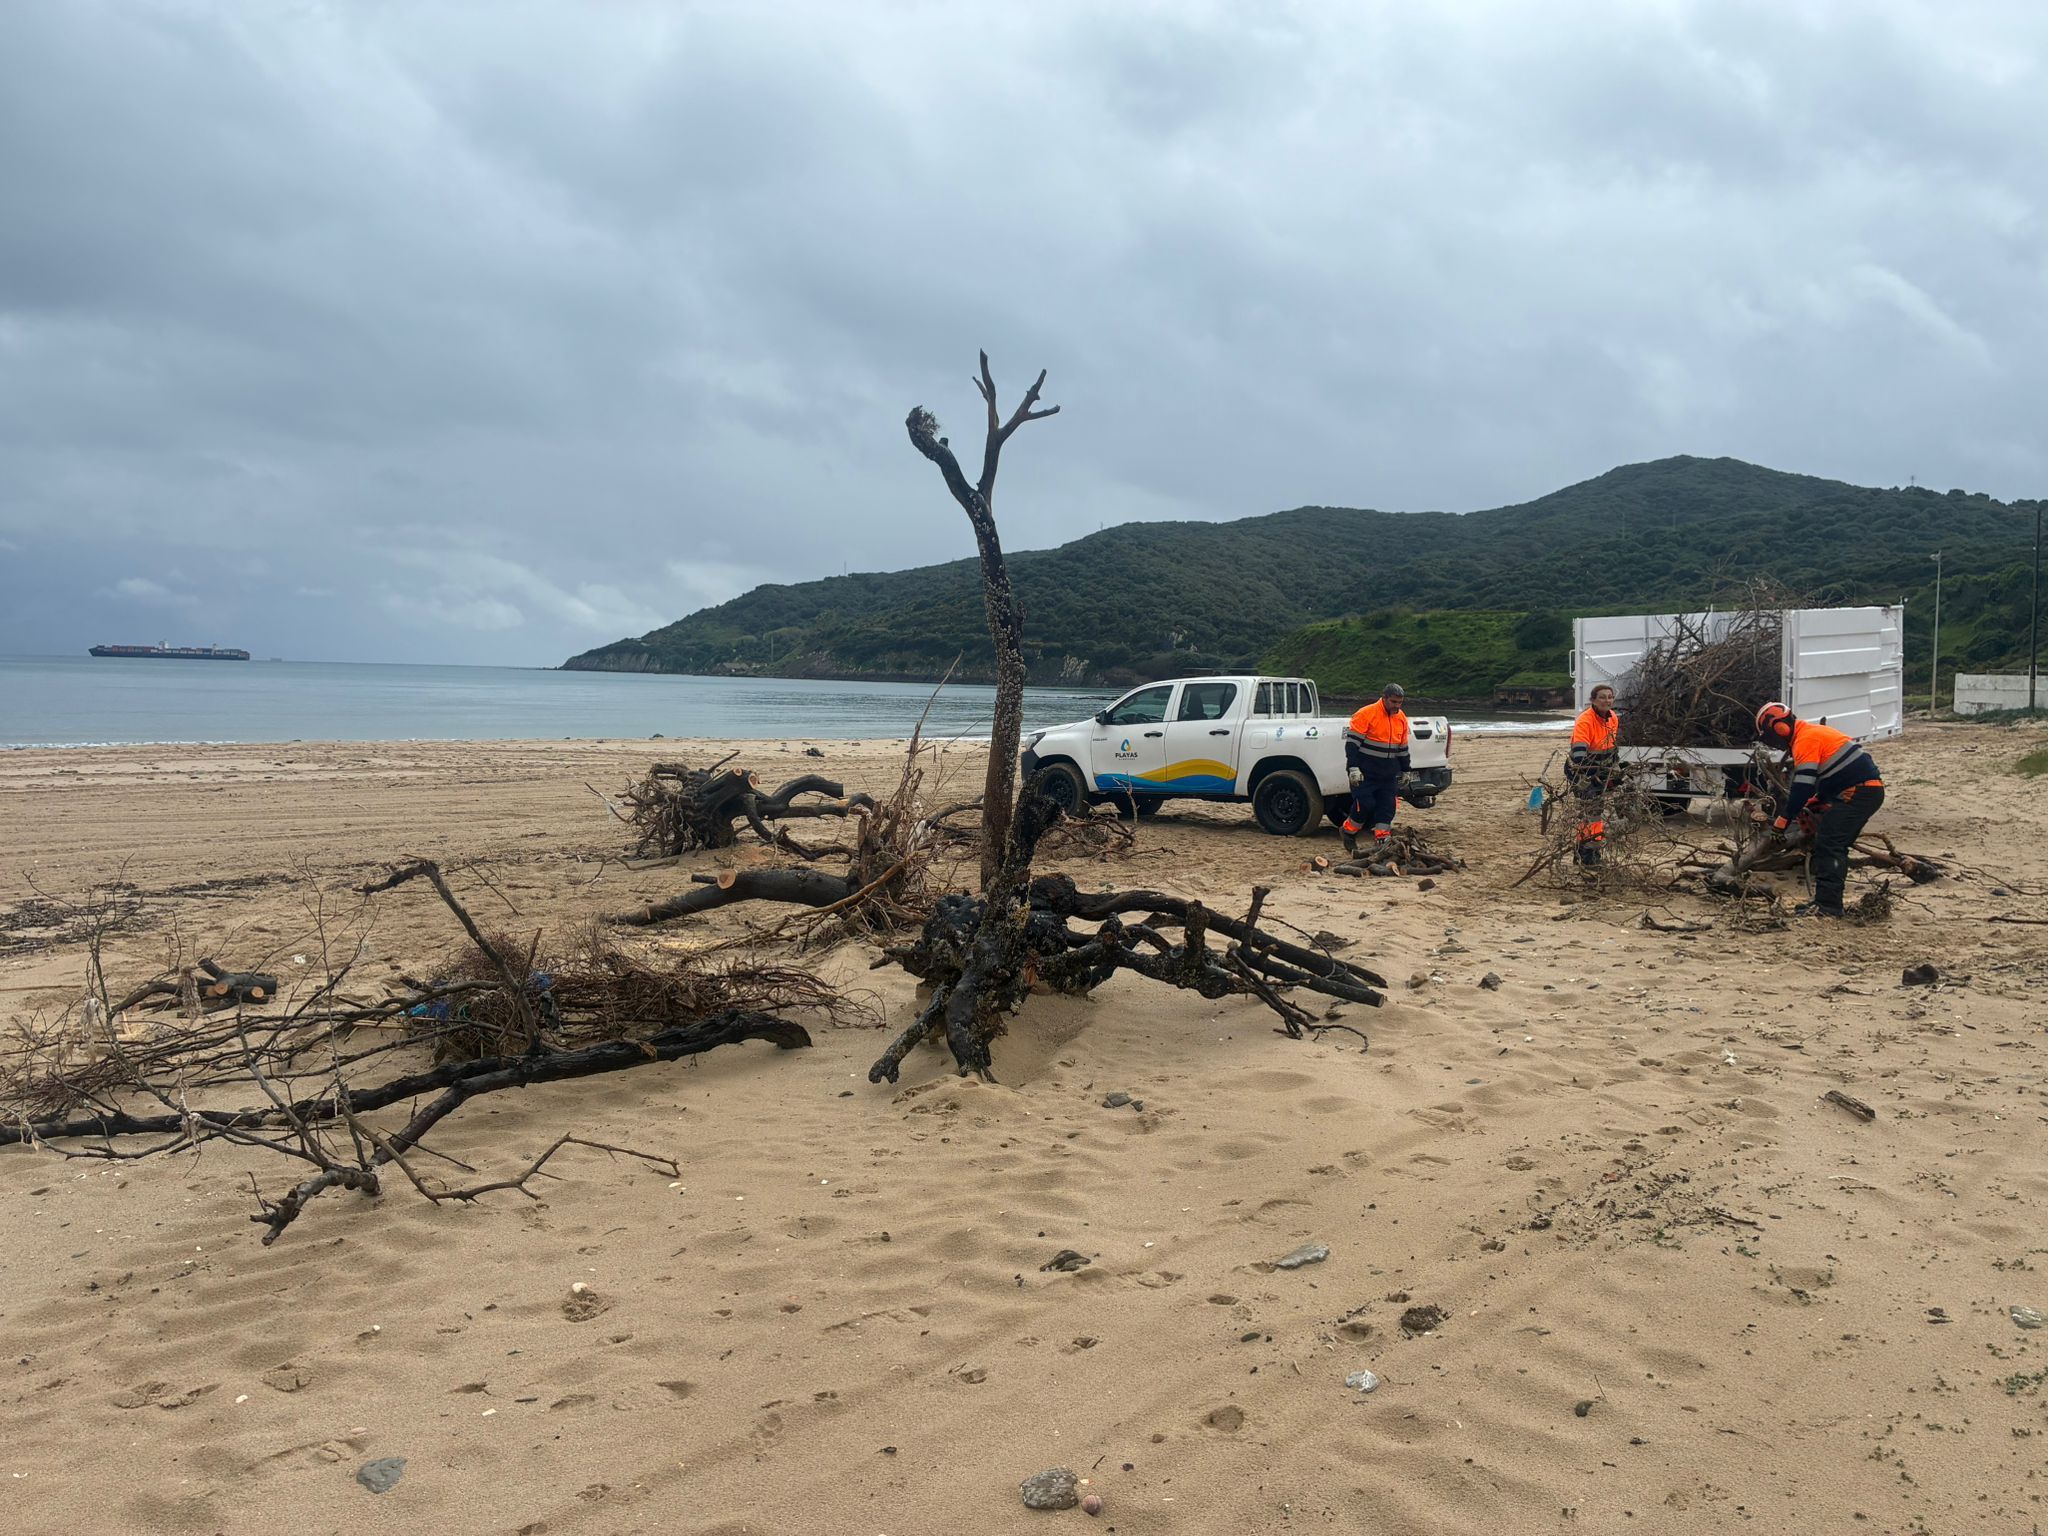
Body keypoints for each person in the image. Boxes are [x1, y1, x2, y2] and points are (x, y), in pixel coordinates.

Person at [1754, 701, 1885, 917]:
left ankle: (1829, 907)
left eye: (1770, 736)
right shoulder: (1812, 733)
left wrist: (1784, 819)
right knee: (1830, 841)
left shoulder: (1805, 740)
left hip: (1860, 792)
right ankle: (1825, 901)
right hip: (1861, 789)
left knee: (1831, 843)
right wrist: (1820, 798)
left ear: (1779, 728)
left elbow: (1803, 784)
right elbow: (1833, 770)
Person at [1342, 683, 1410, 856]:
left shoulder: (1401, 718)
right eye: (1394, 702)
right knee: (1365, 804)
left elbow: (1402, 748)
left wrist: (1406, 770)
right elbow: (1352, 745)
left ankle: (1382, 840)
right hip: (1365, 772)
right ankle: (1348, 831)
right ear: (1384, 698)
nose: (1397, 706)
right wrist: (1353, 768)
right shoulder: (1366, 714)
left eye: (1400, 702)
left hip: (1388, 773)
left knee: (1387, 807)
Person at [1566, 684, 1622, 866]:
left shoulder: (1613, 718)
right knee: (1591, 812)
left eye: (1610, 697)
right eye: (1603, 697)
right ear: (1593, 700)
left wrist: (1615, 771)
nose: (1607, 700)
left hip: (1600, 770)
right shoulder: (1585, 721)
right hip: (1580, 771)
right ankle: (1587, 854)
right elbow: (1579, 753)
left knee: (1594, 812)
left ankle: (1586, 852)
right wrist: (1590, 775)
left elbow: (1611, 748)